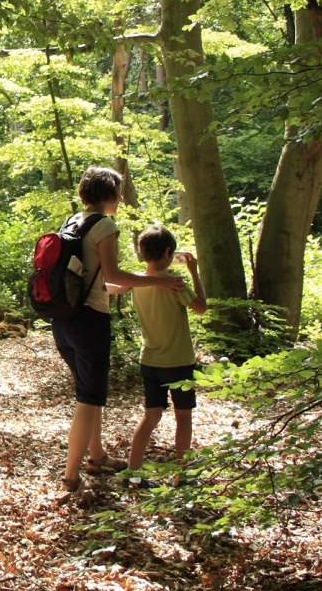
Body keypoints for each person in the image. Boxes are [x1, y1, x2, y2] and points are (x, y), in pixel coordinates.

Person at [53, 166, 185, 505]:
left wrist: (126, 288)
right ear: (110, 195)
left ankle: (96, 456)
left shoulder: (71, 222)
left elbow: (100, 281)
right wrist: (158, 280)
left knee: (90, 392)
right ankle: (70, 477)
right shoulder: (105, 225)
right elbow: (112, 272)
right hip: (89, 322)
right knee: (88, 398)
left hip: (63, 318)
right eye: (118, 193)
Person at [125, 225, 207, 483]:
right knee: (183, 417)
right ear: (169, 252)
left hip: (149, 360)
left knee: (151, 416)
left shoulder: (137, 282)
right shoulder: (174, 282)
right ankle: (182, 475)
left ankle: (133, 473)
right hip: (178, 361)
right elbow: (201, 307)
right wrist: (194, 271)